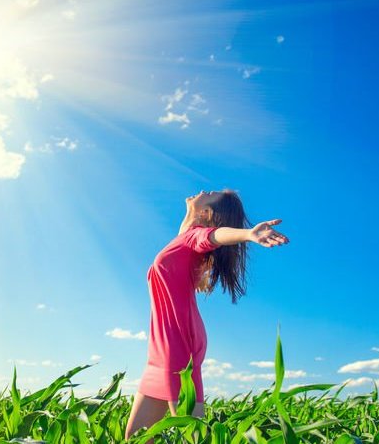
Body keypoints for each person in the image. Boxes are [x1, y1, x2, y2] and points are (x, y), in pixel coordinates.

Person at [124, 188, 289, 442]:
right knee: (135, 438)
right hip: (161, 346)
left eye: (210, 193)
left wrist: (248, 234)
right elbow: (190, 229)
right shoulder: (184, 238)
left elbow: (214, 235)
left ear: (207, 212)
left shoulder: (196, 237)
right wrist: (191, 213)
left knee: (193, 435)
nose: (202, 190)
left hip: (177, 341)